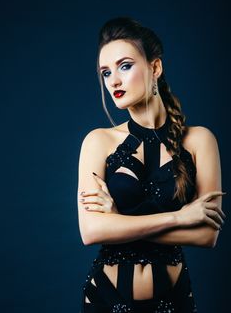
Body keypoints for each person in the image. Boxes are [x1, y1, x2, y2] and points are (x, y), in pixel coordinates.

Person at [77, 17, 226, 313]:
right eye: (105, 73)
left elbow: (208, 235)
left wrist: (119, 221)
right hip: (106, 299)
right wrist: (179, 218)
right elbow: (92, 231)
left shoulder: (199, 141)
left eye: (125, 66)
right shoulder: (98, 141)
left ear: (155, 67)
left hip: (174, 301)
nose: (114, 81)